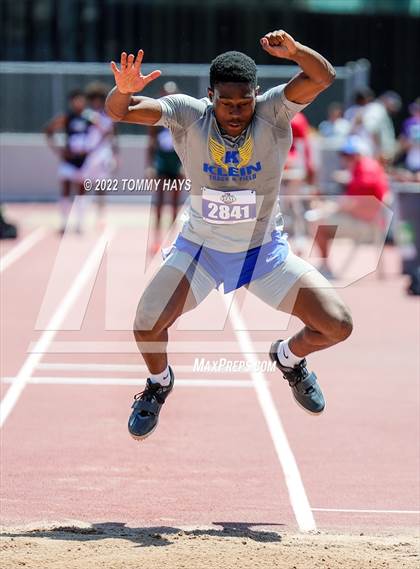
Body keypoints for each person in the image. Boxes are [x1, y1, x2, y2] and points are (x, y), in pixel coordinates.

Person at [105, 30, 353, 441]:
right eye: (226, 103)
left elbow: (322, 77)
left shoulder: (273, 112)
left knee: (337, 325)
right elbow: (122, 111)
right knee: (146, 325)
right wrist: (122, 90)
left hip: (262, 253)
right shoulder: (189, 114)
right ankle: (158, 384)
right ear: (210, 95)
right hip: (201, 250)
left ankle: (290, 359)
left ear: (256, 93)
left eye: (244, 102)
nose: (236, 112)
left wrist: (295, 52)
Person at [310, 135, 389, 278]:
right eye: (344, 155)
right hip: (366, 219)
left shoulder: (365, 172)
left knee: (317, 222)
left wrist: (327, 207)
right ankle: (325, 266)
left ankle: (326, 267)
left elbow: (350, 204)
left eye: (350, 155)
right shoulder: (364, 167)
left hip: (370, 225)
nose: (345, 159)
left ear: (359, 155)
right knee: (319, 219)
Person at [44, 89, 95, 234]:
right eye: (75, 100)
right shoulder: (67, 117)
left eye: (81, 99)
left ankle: (79, 223)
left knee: (81, 192)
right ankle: (64, 222)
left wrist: (92, 149)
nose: (78, 102)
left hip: (84, 160)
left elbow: (106, 131)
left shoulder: (90, 118)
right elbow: (48, 130)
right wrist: (58, 150)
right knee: (65, 190)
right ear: (71, 102)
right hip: (69, 160)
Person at [146, 81, 183, 253]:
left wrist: (185, 166)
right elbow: (151, 144)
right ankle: (157, 239)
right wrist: (149, 166)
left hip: (177, 163)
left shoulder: (182, 117)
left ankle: (173, 239)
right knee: (159, 202)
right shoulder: (156, 119)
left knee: (175, 203)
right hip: (162, 163)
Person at [84, 82, 119, 223]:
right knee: (84, 182)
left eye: (99, 98)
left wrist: (116, 155)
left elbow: (112, 135)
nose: (96, 101)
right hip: (88, 153)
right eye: (94, 99)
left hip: (103, 153)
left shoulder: (108, 116)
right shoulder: (86, 115)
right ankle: (83, 210)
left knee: (101, 184)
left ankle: (100, 212)